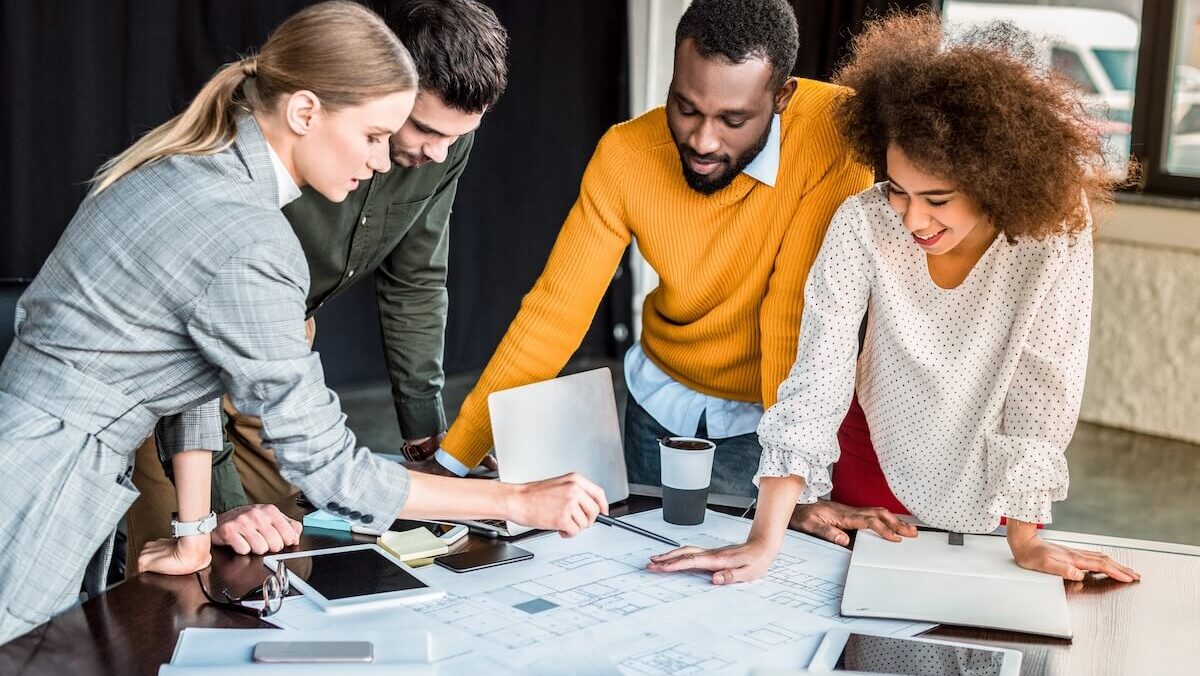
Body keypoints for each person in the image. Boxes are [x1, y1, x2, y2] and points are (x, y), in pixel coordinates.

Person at [0, 0, 603, 645]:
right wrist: (516, 501)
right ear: (305, 112)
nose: (381, 162)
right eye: (373, 136)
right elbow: (328, 468)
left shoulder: (197, 169)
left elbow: (191, 372)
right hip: (45, 483)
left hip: (42, 455)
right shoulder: (251, 234)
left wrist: (195, 532)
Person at [647, 11, 1140, 585]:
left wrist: (1025, 541)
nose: (912, 218)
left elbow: (1043, 384)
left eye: (937, 199)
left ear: (998, 181)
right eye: (899, 189)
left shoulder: (1053, 230)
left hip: (989, 479)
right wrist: (763, 538)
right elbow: (818, 377)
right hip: (871, 459)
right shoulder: (865, 221)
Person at [123, 0, 511, 573]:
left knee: (288, 558)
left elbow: (416, 277)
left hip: (283, 351)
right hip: (176, 363)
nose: (438, 154)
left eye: (458, 137)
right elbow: (197, 348)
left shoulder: (443, 145)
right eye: (423, 128)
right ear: (381, 85)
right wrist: (220, 511)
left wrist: (426, 438)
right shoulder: (253, 155)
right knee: (187, 582)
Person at [429, 0, 873, 498]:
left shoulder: (838, 133)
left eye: (733, 119)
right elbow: (554, 313)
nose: (703, 141)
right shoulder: (625, 157)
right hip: (658, 405)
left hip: (770, 422)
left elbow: (794, 314)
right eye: (686, 108)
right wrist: (456, 461)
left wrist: (795, 483)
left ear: (782, 96)